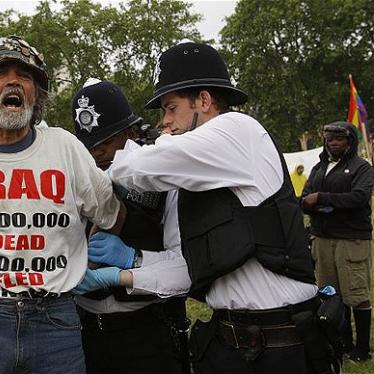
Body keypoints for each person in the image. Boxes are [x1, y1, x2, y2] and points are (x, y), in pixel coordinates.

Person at [108, 41, 339, 374]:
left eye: (171, 108)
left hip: (279, 343)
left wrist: (140, 146)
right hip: (232, 343)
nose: (165, 122)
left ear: (204, 100)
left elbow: (133, 170)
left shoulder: (236, 130)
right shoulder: (191, 178)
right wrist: (123, 272)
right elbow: (185, 267)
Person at [0, 36, 126, 374]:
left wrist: (89, 256)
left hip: (55, 325)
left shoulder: (67, 149)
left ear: (37, 94)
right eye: (0, 72)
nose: (13, 80)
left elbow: (110, 213)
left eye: (26, 75)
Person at [70, 78, 191, 374]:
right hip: (85, 328)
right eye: (89, 145)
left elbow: (182, 258)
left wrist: (131, 258)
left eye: (105, 142)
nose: (96, 153)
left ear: (129, 132)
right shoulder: (76, 174)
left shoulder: (164, 174)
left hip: (147, 326)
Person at [301, 122, 374, 362]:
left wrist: (322, 198)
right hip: (322, 239)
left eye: (339, 138)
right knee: (332, 295)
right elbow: (303, 200)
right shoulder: (319, 168)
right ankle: (343, 345)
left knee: (356, 294)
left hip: (351, 239)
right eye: (329, 138)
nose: (333, 142)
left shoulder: (361, 167)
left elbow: (359, 197)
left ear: (350, 141)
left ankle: (362, 350)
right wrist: (320, 204)